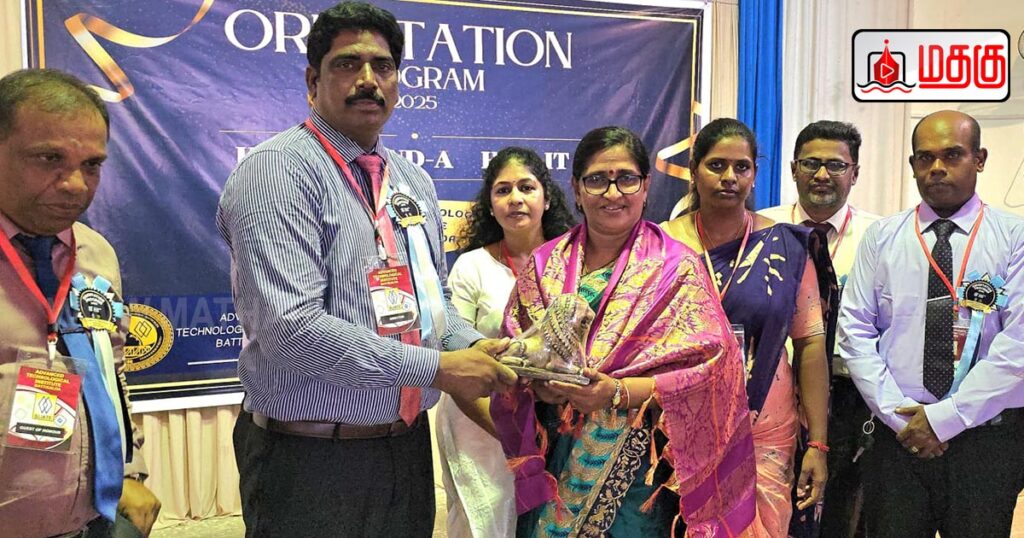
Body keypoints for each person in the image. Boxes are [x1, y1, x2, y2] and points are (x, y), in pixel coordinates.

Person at [216, 3, 516, 536]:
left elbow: (434, 303)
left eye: (383, 66)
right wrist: (437, 369)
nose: (368, 80)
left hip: (404, 446)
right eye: (347, 64)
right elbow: (292, 331)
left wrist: (477, 346)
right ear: (313, 81)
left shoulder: (413, 181)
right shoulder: (276, 172)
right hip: (309, 456)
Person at [490, 126, 757, 537]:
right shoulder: (544, 264)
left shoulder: (677, 269)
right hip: (557, 457)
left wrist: (616, 392)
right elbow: (515, 356)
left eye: (626, 179)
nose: (612, 193)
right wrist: (541, 387)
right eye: (597, 179)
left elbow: (715, 372)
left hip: (637, 474)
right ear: (577, 189)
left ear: (646, 187)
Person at [838, 110, 1024, 537]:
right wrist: (902, 419)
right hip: (898, 437)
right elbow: (855, 333)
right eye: (925, 157)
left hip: (986, 440)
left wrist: (946, 418)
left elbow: (1018, 344)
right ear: (912, 165)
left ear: (980, 159)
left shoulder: (1015, 237)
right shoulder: (882, 238)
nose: (937, 167)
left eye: (952, 155)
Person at [0, 68, 160, 537]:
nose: (74, 184)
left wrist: (129, 469)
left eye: (91, 164)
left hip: (94, 522)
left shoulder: (95, 253)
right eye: (49, 158)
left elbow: (111, 371)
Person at [662, 118, 833, 537]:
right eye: (716, 165)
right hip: (684, 422)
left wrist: (818, 444)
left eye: (741, 167)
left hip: (767, 426)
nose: (729, 177)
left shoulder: (786, 246)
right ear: (694, 170)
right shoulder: (661, 245)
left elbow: (810, 344)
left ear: (755, 174)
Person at [437, 146, 575, 538]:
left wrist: (544, 431)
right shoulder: (472, 266)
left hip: (557, 423)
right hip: (479, 420)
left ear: (547, 198)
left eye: (526, 187)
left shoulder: (574, 262)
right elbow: (457, 358)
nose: (515, 198)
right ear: (490, 205)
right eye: (503, 190)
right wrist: (514, 433)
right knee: (484, 526)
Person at [759, 120, 881, 537]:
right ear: (793, 169)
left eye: (836, 165)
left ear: (855, 173)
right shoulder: (761, 228)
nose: (822, 174)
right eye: (811, 163)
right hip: (768, 395)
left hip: (849, 399)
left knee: (840, 518)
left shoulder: (880, 237)